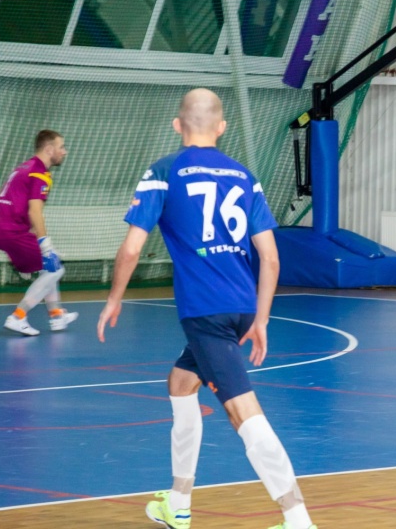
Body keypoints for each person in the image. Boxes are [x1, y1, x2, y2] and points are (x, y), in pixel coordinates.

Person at [97, 89, 316, 529]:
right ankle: (178, 503)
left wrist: (115, 297)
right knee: (181, 383)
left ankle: (297, 518)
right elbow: (270, 257)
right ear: (222, 128)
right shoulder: (245, 176)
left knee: (243, 412)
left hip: (205, 312)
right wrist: (261, 319)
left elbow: (132, 248)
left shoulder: (164, 171)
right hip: (241, 306)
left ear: (177, 125)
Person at [0, 129, 77, 336]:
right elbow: (34, 211)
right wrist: (45, 244)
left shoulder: (25, 167)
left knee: (50, 265)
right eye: (61, 147)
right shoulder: (39, 173)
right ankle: (18, 316)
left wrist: (44, 248)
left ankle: (57, 316)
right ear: (49, 149)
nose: (65, 152)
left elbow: (24, 208)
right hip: (11, 230)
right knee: (55, 269)